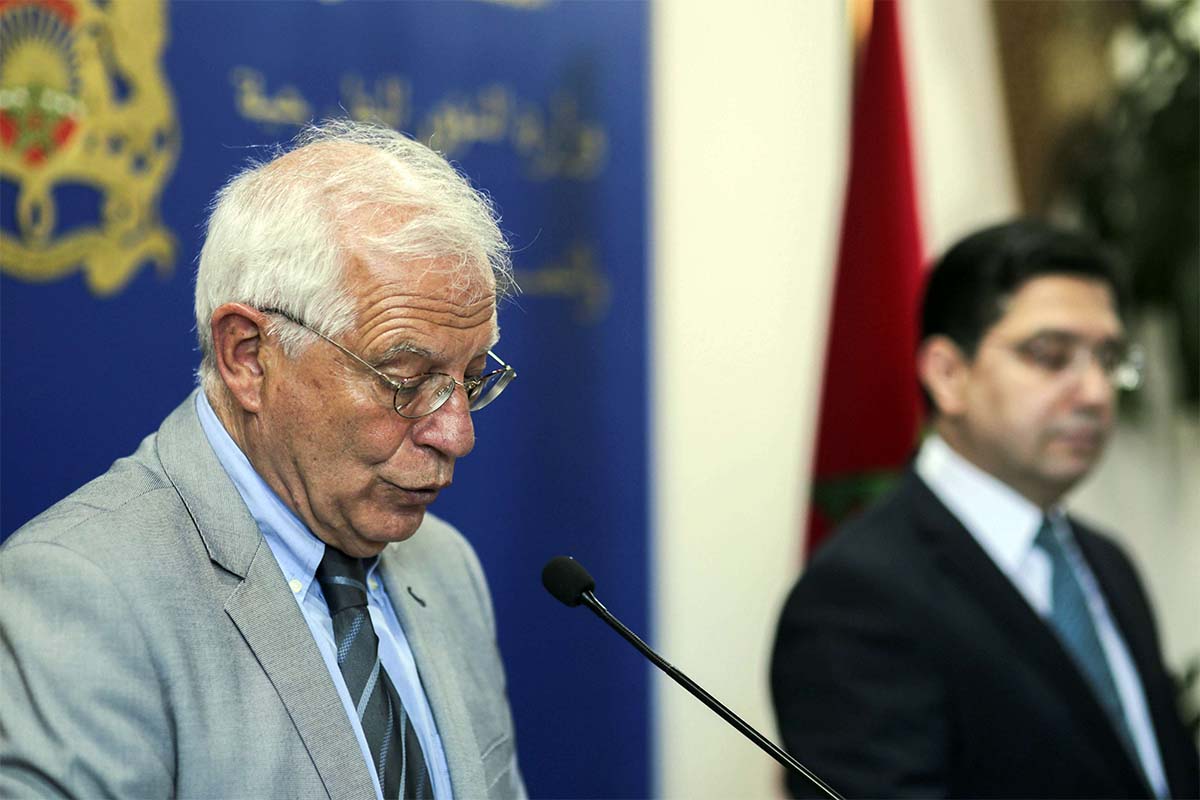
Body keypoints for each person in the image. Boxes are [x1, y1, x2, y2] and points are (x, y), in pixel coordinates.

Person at [0, 119, 526, 799]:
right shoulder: (82, 593)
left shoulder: (446, 568)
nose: (456, 434)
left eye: (472, 379)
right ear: (248, 356)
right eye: (405, 379)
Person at [770, 220, 1199, 799]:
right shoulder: (858, 596)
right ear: (948, 375)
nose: (1096, 392)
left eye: (1109, 357)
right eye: (1051, 356)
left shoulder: (1107, 562)